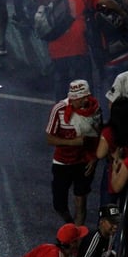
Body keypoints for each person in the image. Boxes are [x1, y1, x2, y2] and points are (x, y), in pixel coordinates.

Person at [46, 79, 102, 225]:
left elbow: (99, 134)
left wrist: (94, 158)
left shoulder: (95, 108)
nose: (85, 101)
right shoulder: (59, 109)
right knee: (59, 204)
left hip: (83, 161)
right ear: (73, 98)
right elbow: (50, 139)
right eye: (81, 98)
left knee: (81, 201)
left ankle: (77, 237)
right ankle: (70, 224)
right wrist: (72, 142)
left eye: (86, 97)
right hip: (62, 163)